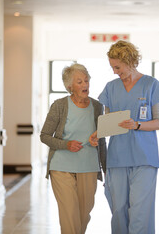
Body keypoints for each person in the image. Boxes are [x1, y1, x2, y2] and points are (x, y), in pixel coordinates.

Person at [90, 40, 159, 234]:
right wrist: (97, 133)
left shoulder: (151, 85)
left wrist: (137, 125)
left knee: (140, 211)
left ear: (130, 61)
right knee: (118, 211)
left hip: (145, 158)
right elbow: (108, 122)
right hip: (117, 158)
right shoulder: (111, 88)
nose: (115, 71)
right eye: (112, 67)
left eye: (117, 67)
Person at [40, 63, 106, 234]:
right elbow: (45, 135)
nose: (85, 85)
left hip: (89, 167)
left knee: (83, 215)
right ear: (70, 86)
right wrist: (66, 144)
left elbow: (102, 139)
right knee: (69, 214)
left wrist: (106, 170)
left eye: (86, 81)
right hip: (61, 167)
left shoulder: (97, 107)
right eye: (79, 82)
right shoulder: (59, 106)